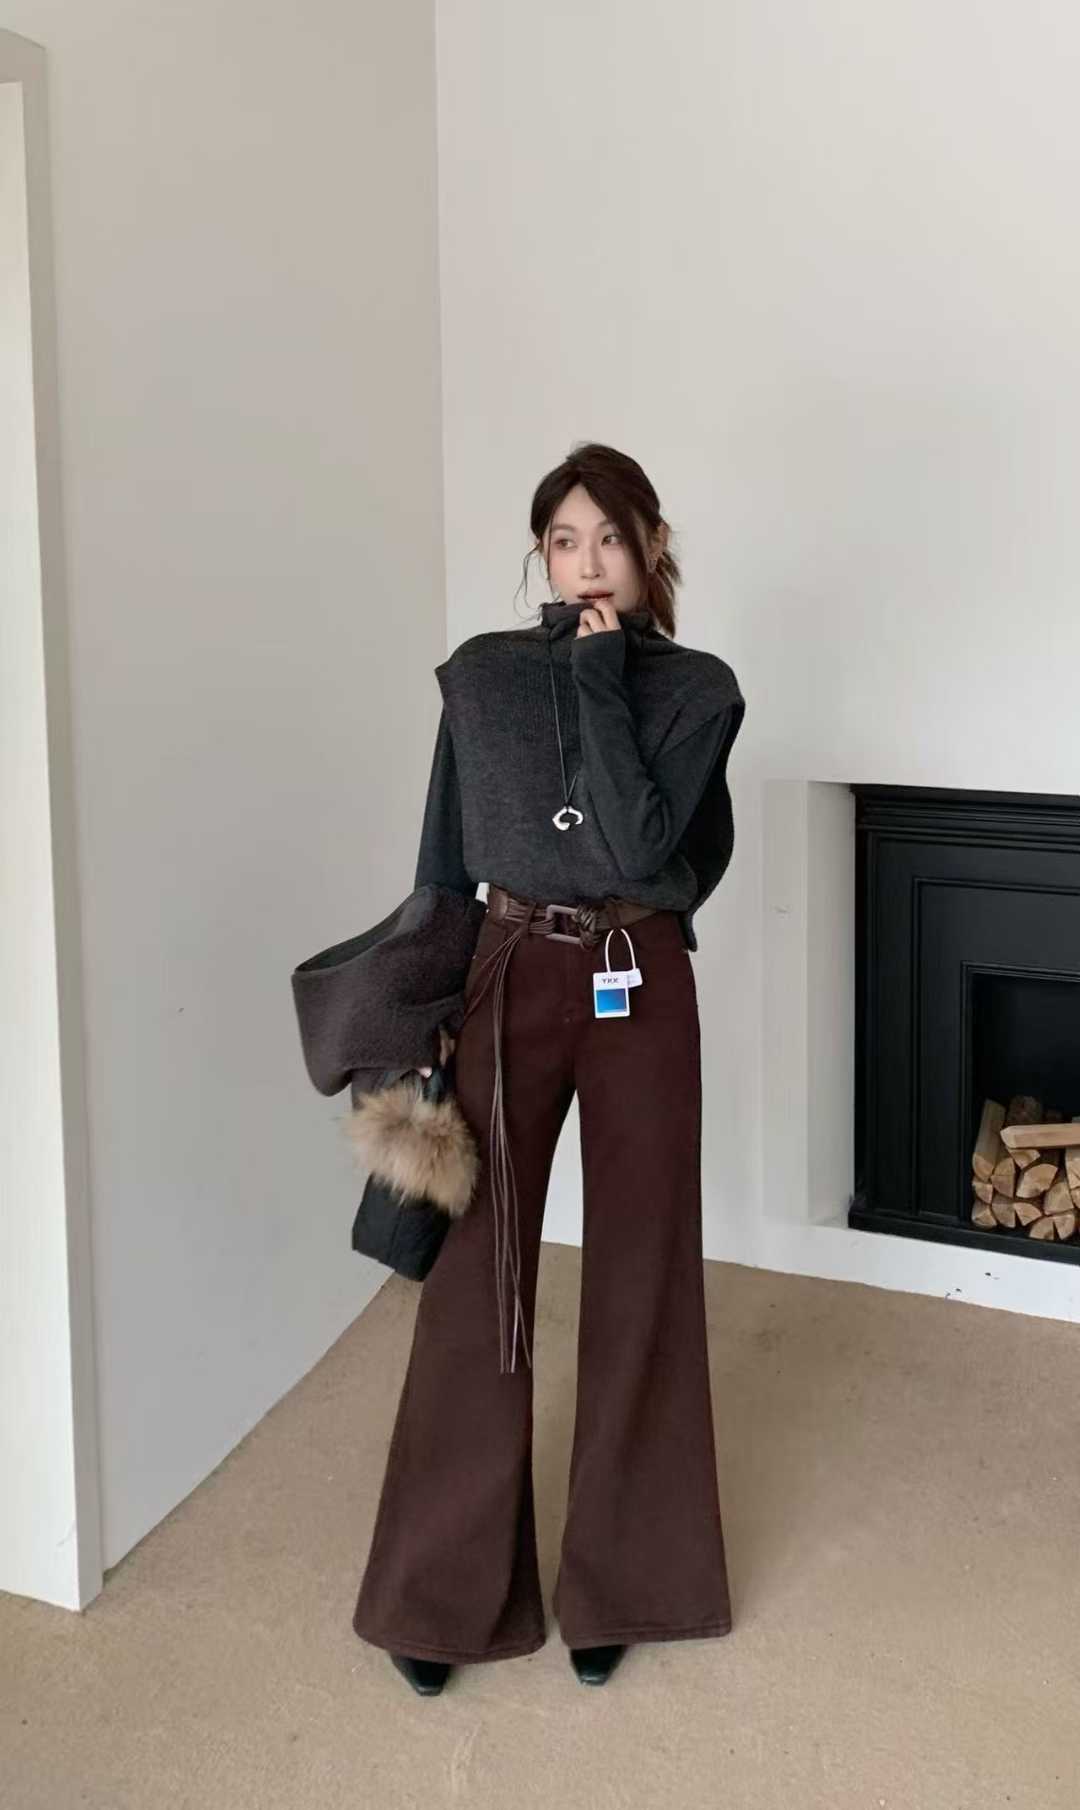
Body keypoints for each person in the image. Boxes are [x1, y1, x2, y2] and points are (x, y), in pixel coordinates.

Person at [352, 440, 746, 1696]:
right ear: (541, 550)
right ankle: (439, 1591)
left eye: (610, 538)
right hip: (506, 970)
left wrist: (598, 675)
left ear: (650, 549)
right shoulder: (481, 676)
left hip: (640, 976)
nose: (586, 562)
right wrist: (423, 1013)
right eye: (565, 539)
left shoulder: (695, 690)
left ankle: (626, 1581)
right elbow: (442, 858)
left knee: (643, 1269)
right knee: (478, 1277)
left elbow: (646, 849)